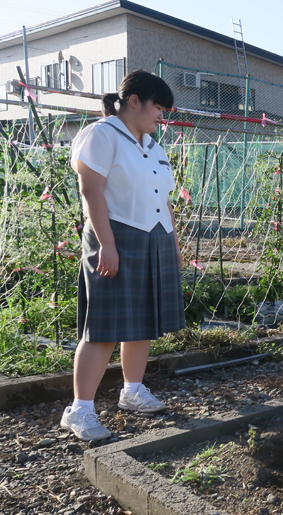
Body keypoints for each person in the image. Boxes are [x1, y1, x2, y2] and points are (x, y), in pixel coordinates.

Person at [60, 70, 185, 441]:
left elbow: (163, 199)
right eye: (158, 107)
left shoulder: (152, 145)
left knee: (143, 321)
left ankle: (132, 391)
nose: (162, 116)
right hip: (115, 236)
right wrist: (107, 244)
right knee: (102, 328)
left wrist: (174, 244)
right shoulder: (102, 134)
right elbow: (91, 190)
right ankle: (79, 409)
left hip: (155, 238)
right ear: (134, 101)